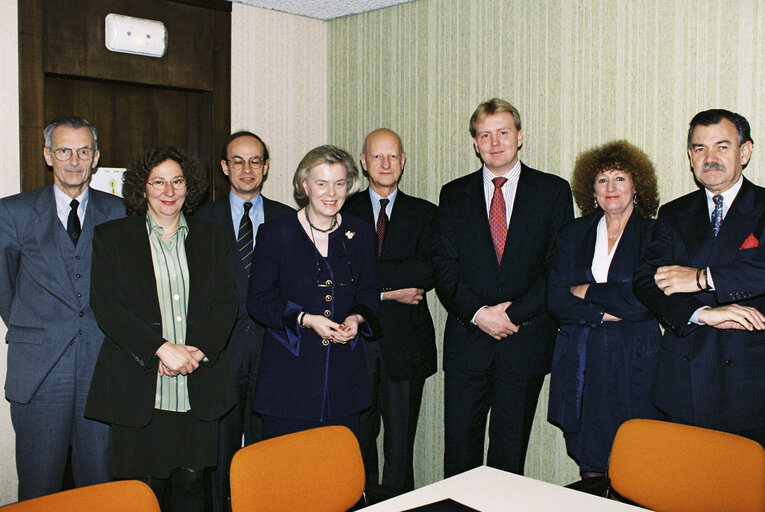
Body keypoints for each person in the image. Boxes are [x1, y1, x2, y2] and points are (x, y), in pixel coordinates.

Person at [84, 147, 237, 512]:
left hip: (196, 384)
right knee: (142, 492)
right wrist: (160, 349)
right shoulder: (113, 237)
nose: (169, 192)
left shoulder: (212, 236)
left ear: (190, 186)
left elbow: (226, 304)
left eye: (178, 181)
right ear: (142, 188)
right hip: (139, 387)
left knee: (191, 485)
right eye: (158, 182)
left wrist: (196, 351)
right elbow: (108, 307)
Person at [434, 98, 573, 477]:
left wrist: (509, 315)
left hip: (524, 341)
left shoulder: (553, 191)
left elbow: (557, 269)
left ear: (520, 136)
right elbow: (444, 268)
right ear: (475, 143)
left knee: (509, 460)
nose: (495, 142)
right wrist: (480, 315)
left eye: (503, 133)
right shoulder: (453, 194)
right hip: (468, 342)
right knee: (459, 457)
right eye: (485, 135)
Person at [0, 117, 124, 500]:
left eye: (83, 151)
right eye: (64, 150)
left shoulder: (119, 212)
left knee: (100, 485)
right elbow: (5, 287)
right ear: (47, 156)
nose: (74, 160)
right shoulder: (13, 212)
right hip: (39, 372)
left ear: (96, 157)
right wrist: (38, 329)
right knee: (40, 487)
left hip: (101, 369)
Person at [634, 109, 765, 446]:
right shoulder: (674, 212)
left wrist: (703, 278)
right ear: (690, 156)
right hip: (684, 379)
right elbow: (646, 280)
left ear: (745, 151)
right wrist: (702, 314)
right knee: (682, 490)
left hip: (751, 382)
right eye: (699, 148)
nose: (710, 158)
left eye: (722, 146)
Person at [247, 144, 380, 440]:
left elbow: (369, 292)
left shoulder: (360, 233)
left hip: (344, 380)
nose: (331, 193)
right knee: (287, 475)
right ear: (305, 185)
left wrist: (357, 320)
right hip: (288, 379)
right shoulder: (275, 233)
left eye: (339, 183)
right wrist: (306, 319)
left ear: (350, 186)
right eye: (321, 183)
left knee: (337, 475)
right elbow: (259, 301)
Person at [546, 140, 662, 477]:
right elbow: (554, 298)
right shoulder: (572, 233)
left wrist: (585, 291)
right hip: (581, 363)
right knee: (590, 463)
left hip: (635, 362)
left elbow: (645, 300)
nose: (611, 188)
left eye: (620, 178)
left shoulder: (655, 234)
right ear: (591, 190)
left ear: (637, 185)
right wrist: (602, 311)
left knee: (636, 465)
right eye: (602, 180)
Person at [195, 131, 294, 512]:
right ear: (224, 167)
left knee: (265, 444)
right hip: (221, 352)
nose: (247, 168)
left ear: (267, 167)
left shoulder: (289, 219)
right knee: (220, 446)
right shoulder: (202, 220)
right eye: (238, 160)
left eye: (255, 161)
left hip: (275, 350)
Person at [342, 128, 437, 492]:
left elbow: (427, 271)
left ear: (403, 161)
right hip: (354, 345)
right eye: (377, 156)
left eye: (393, 156)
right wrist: (388, 293)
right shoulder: (343, 211)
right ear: (363, 162)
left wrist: (370, 277)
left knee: (401, 447)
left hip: (406, 348)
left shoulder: (426, 214)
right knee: (358, 440)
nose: (385, 163)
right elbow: (339, 275)